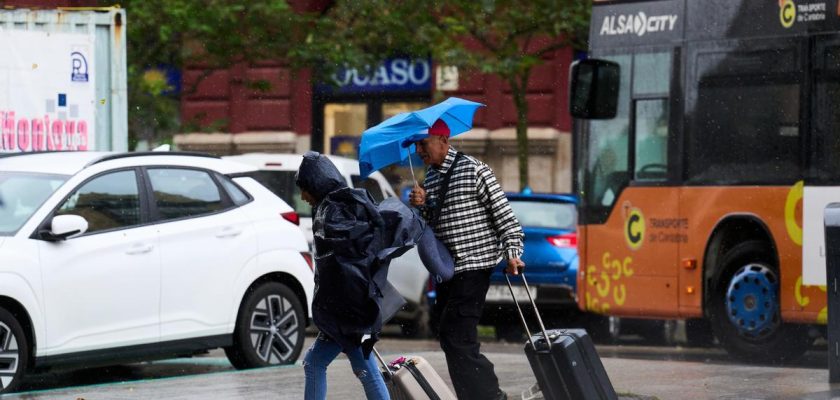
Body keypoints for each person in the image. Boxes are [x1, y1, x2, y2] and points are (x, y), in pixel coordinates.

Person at [409, 119, 525, 400]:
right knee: (453, 337)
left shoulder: (475, 169)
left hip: (474, 265)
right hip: (449, 270)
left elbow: (506, 218)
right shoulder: (432, 177)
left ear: (443, 141)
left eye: (423, 143)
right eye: (416, 145)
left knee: (456, 335)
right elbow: (433, 228)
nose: (419, 150)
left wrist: (512, 254)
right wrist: (422, 206)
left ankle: (490, 395)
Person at [296, 151, 397, 400]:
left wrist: (338, 309)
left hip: (345, 309)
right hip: (348, 305)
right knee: (349, 364)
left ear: (316, 184)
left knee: (353, 365)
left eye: (305, 189)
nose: (303, 196)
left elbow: (339, 265)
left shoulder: (334, 210)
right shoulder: (340, 205)